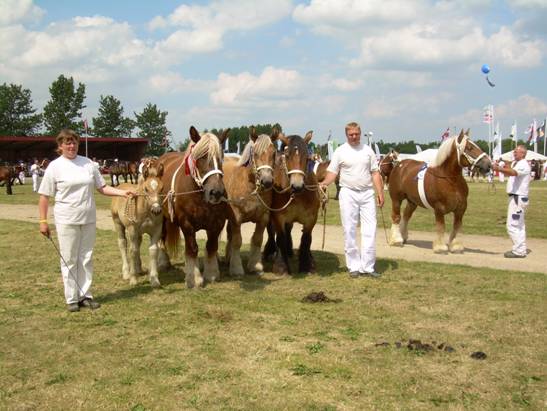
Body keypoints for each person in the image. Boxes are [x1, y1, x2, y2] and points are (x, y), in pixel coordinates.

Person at [38, 129, 134, 312]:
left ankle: (85, 295)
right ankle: (71, 298)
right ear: (60, 146)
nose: (71, 146)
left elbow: (102, 187)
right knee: (70, 258)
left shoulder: (88, 164)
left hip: (88, 218)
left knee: (86, 258)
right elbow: (44, 196)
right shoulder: (55, 167)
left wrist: (123, 192)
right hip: (66, 219)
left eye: (74, 142)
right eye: (67, 143)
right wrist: (43, 221)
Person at [319, 122, 384, 278]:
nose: (354, 137)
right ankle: (353, 266)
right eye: (351, 135)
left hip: (367, 193)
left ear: (360, 134)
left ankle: (367, 267)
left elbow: (375, 173)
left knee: (370, 229)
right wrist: (324, 183)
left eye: (356, 134)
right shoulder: (340, 152)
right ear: (346, 135)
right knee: (349, 229)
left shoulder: (368, 151)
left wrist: (380, 192)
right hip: (348, 193)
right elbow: (332, 172)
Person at [492, 145, 531, 258]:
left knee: (512, 225)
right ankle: (521, 248)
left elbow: (513, 173)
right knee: (519, 225)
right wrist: (505, 163)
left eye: (516, 152)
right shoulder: (519, 164)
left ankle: (518, 251)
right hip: (517, 198)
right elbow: (511, 170)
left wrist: (498, 169)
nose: (514, 154)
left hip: (517, 198)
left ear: (523, 153)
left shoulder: (523, 165)